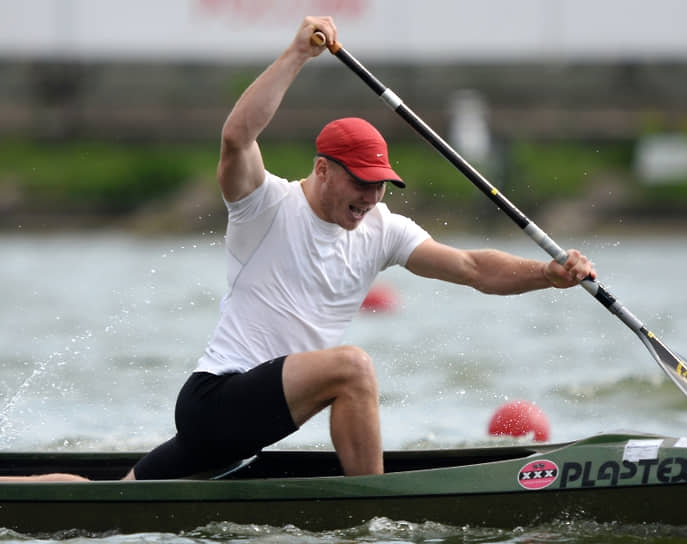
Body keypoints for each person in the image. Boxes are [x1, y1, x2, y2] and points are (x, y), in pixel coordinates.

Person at [118, 15, 596, 480]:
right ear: (323, 169)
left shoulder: (382, 229)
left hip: (250, 424)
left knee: (118, 499)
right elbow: (237, 137)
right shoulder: (264, 206)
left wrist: (546, 274)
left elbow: (473, 267)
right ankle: (377, 507)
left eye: (381, 184)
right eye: (361, 183)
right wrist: (297, 54)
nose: (371, 198)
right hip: (216, 400)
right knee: (352, 368)